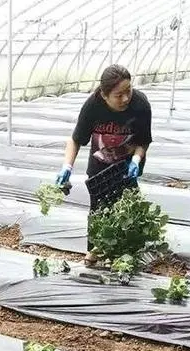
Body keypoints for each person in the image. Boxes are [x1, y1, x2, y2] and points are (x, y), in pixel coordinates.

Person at [56, 64, 153, 264]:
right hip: (100, 169)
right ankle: (95, 253)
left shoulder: (140, 104)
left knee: (128, 211)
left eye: (129, 90)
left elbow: (143, 141)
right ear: (104, 94)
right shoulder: (93, 106)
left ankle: (123, 255)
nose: (126, 98)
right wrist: (67, 166)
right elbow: (76, 139)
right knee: (98, 210)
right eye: (119, 95)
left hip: (127, 168)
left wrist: (135, 160)